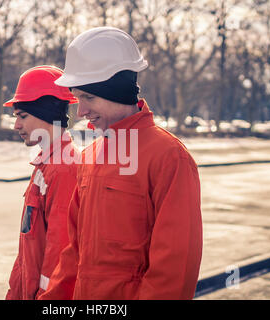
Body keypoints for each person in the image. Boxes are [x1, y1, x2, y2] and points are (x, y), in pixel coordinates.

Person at [38, 27, 203, 300]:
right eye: (79, 98)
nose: (81, 111)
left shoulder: (169, 156)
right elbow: (74, 254)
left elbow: (175, 265)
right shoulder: (90, 156)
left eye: (89, 97)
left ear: (118, 91)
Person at [3, 65, 80, 300]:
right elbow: (29, 249)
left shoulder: (64, 169)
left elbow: (60, 255)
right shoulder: (48, 165)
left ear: (46, 114)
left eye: (22, 116)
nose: (16, 125)